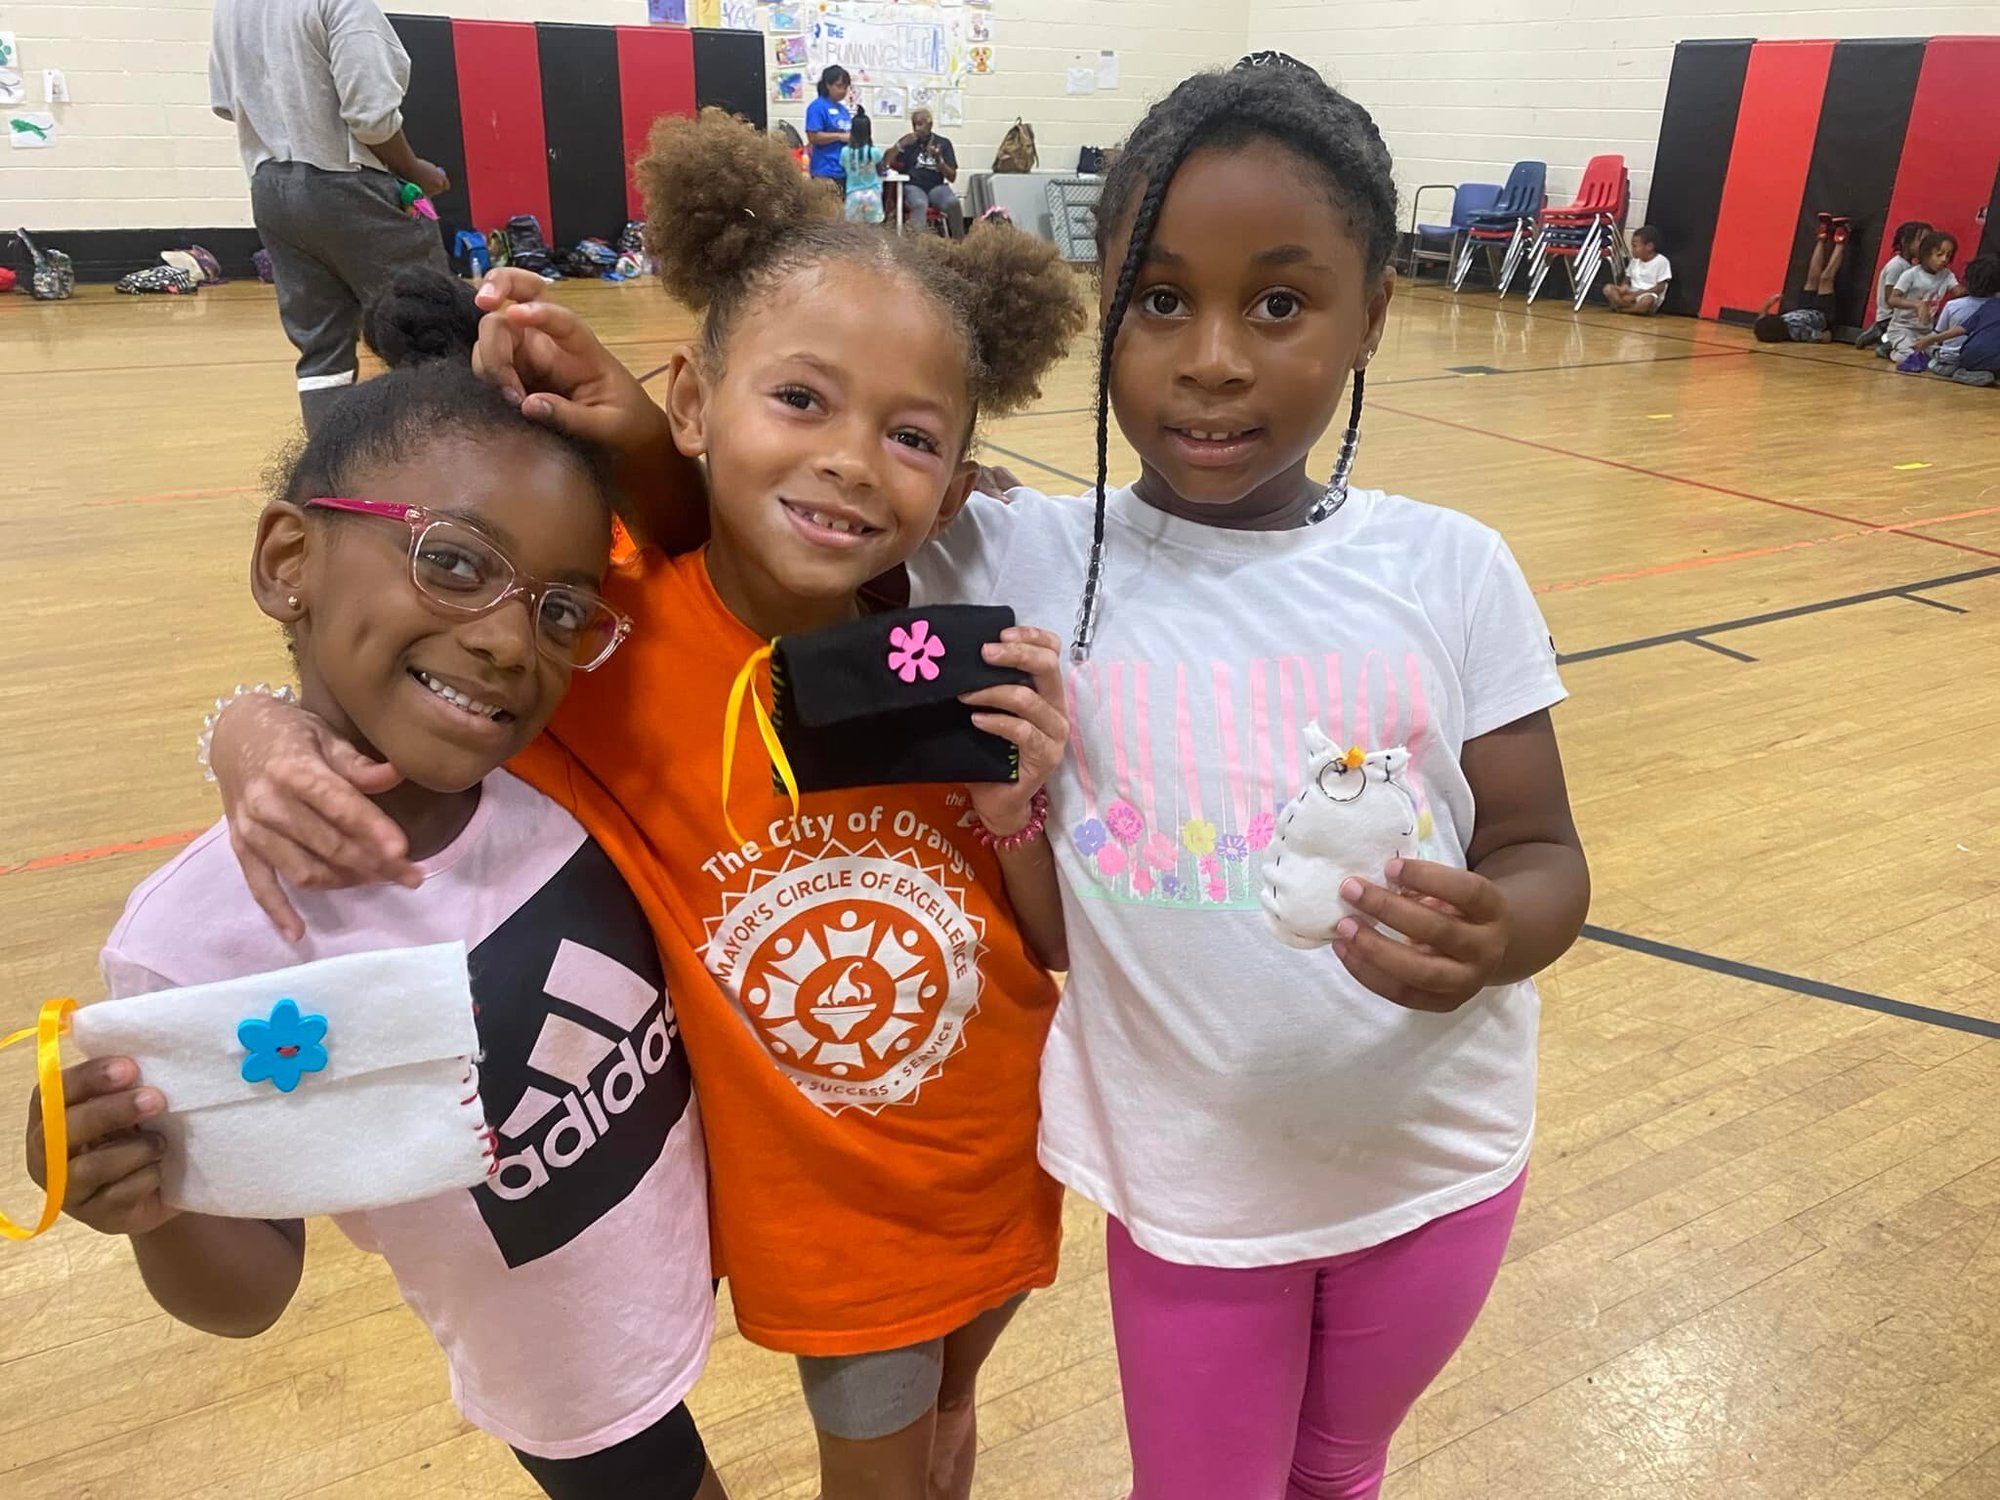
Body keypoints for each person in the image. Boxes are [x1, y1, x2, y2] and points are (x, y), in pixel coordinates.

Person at [420, 59, 1590, 1500]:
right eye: (1163, 300)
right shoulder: (1007, 554)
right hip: (1177, 1192)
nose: (1214, 357)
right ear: (1109, 307)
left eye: (1277, 304)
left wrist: (1504, 930)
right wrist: (656, 444)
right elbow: (775, 539)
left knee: (1341, 1465)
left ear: (1375, 317)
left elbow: (1544, 848)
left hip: (1430, 1154)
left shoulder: (1450, 567)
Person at [204, 110, 1090, 1500]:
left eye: (913, 435)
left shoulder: (954, 652)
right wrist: (254, 731)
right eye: (802, 400)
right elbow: (426, 662)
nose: (857, 459)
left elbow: (1045, 941)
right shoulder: (601, 639)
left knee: (946, 1422)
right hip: (829, 1212)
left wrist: (1020, 803)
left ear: (963, 471)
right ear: (692, 403)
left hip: (999, 1147)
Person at [27, 270, 722, 1500]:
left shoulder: (561, 762)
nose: (512, 639)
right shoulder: (200, 942)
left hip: (727, 1255)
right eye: (453, 563)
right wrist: (142, 1203)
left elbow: (711, 571)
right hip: (576, 1384)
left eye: (561, 609)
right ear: (289, 557)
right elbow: (251, 1294)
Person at [209, 0, 453, 433]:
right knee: (429, 330)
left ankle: (330, 474)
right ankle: (437, 465)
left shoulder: (232, 7)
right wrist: (417, 171)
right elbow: (371, 118)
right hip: (351, 185)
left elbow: (226, 104)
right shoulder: (344, 4)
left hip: (272, 191)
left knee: (320, 351)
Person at [1751, 218, 1847, 344]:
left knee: (1812, 277)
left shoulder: (1778, 323)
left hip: (1804, 308)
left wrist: (1770, 303)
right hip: (1823, 315)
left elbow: (1762, 315)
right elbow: (1825, 337)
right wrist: (1826, 334)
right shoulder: (1799, 333)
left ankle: (1822, 239)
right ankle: (1840, 242)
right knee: (1825, 279)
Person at [1912, 252, 2000, 383]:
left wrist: (1928, 340)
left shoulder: (1955, 305)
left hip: (1963, 356)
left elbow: (1954, 330)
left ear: (1967, 281)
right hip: (1987, 358)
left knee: (1932, 353)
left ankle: (1952, 370)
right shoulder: (1991, 304)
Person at [1882, 229, 1961, 362]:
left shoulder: (1947, 275)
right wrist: (1917, 304)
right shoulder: (1911, 274)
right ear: (1925, 254)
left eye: (1948, 256)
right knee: (1909, 358)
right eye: (1940, 254)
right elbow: (1892, 299)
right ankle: (1889, 349)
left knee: (1939, 358)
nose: (1944, 260)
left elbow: (1959, 292)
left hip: (1926, 332)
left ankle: (1909, 348)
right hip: (1902, 328)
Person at [888, 109, 965, 238]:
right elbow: (886, 161)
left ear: (930, 124)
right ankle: (919, 247)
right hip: (914, 185)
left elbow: (952, 177)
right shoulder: (908, 141)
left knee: (953, 203)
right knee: (919, 204)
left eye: (920, 124)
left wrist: (939, 160)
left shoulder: (943, 143)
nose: (917, 128)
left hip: (936, 186)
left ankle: (960, 243)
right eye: (914, 125)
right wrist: (900, 145)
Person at [1857, 219, 1929, 349]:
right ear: (1905, 241)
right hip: (1890, 320)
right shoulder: (1896, 266)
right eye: (1922, 241)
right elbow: (1890, 300)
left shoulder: (1910, 267)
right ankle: (1882, 336)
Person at [804, 65, 854, 205]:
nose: (843, 91)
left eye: (846, 87)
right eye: (839, 86)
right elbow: (813, 137)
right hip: (825, 171)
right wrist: (839, 136)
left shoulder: (843, 109)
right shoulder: (817, 107)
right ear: (828, 85)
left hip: (844, 170)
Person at [1603, 225, 1670, 314]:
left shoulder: (1661, 261)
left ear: (1649, 246)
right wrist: (1624, 288)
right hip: (1631, 293)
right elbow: (1627, 279)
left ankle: (1623, 309)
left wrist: (1635, 295)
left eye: (1635, 246)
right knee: (1608, 289)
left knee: (1647, 301)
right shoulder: (1634, 261)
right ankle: (1629, 307)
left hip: (1647, 294)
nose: (1632, 249)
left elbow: (1660, 288)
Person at [840, 106, 885, 225]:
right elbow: (881, 171)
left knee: (854, 230)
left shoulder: (845, 152)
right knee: (874, 228)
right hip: (872, 195)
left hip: (853, 194)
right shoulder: (874, 152)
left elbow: (844, 167)